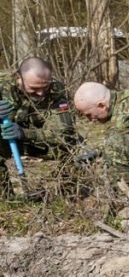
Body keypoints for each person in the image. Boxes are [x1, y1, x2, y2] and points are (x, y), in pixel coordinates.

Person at [0, 57, 82, 198]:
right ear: (18, 77)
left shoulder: (57, 91)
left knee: (75, 146)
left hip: (35, 140)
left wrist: (24, 133)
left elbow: (63, 133)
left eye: (45, 86)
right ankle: (6, 198)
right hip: (5, 142)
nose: (41, 93)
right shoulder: (3, 86)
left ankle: (66, 194)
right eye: (34, 88)